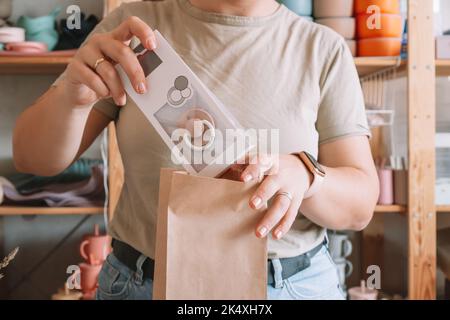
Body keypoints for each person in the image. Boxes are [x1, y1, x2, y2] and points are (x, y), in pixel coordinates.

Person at [13, 0, 379, 300]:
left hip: (289, 286)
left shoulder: (322, 48)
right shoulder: (133, 30)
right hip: (144, 283)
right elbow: (32, 158)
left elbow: (360, 206)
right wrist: (73, 99)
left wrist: (306, 176)